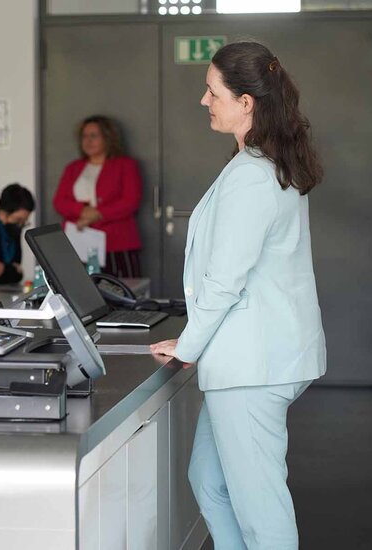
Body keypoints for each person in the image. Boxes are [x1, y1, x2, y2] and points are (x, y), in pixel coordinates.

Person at [150, 42, 326, 549]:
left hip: (255, 366)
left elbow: (226, 280)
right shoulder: (260, 161)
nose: (205, 100)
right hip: (256, 359)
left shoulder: (253, 174)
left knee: (259, 508)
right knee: (209, 481)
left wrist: (188, 345)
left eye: (213, 92)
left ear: (246, 102)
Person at [53, 115, 143, 278]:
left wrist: (97, 214)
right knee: (81, 293)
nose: (88, 141)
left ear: (108, 138)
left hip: (117, 244)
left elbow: (130, 201)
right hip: (79, 242)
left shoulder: (125, 165)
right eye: (84, 136)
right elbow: (59, 202)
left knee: (122, 292)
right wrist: (82, 211)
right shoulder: (73, 167)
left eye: (94, 136)